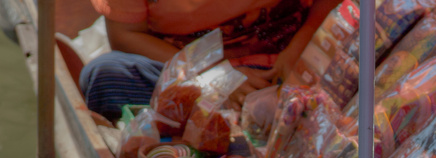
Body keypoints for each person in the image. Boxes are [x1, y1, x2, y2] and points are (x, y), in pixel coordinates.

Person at [79, 0, 344, 119]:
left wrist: (296, 54)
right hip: (188, 73)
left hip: (290, 62)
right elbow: (125, 36)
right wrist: (216, 78)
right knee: (104, 76)